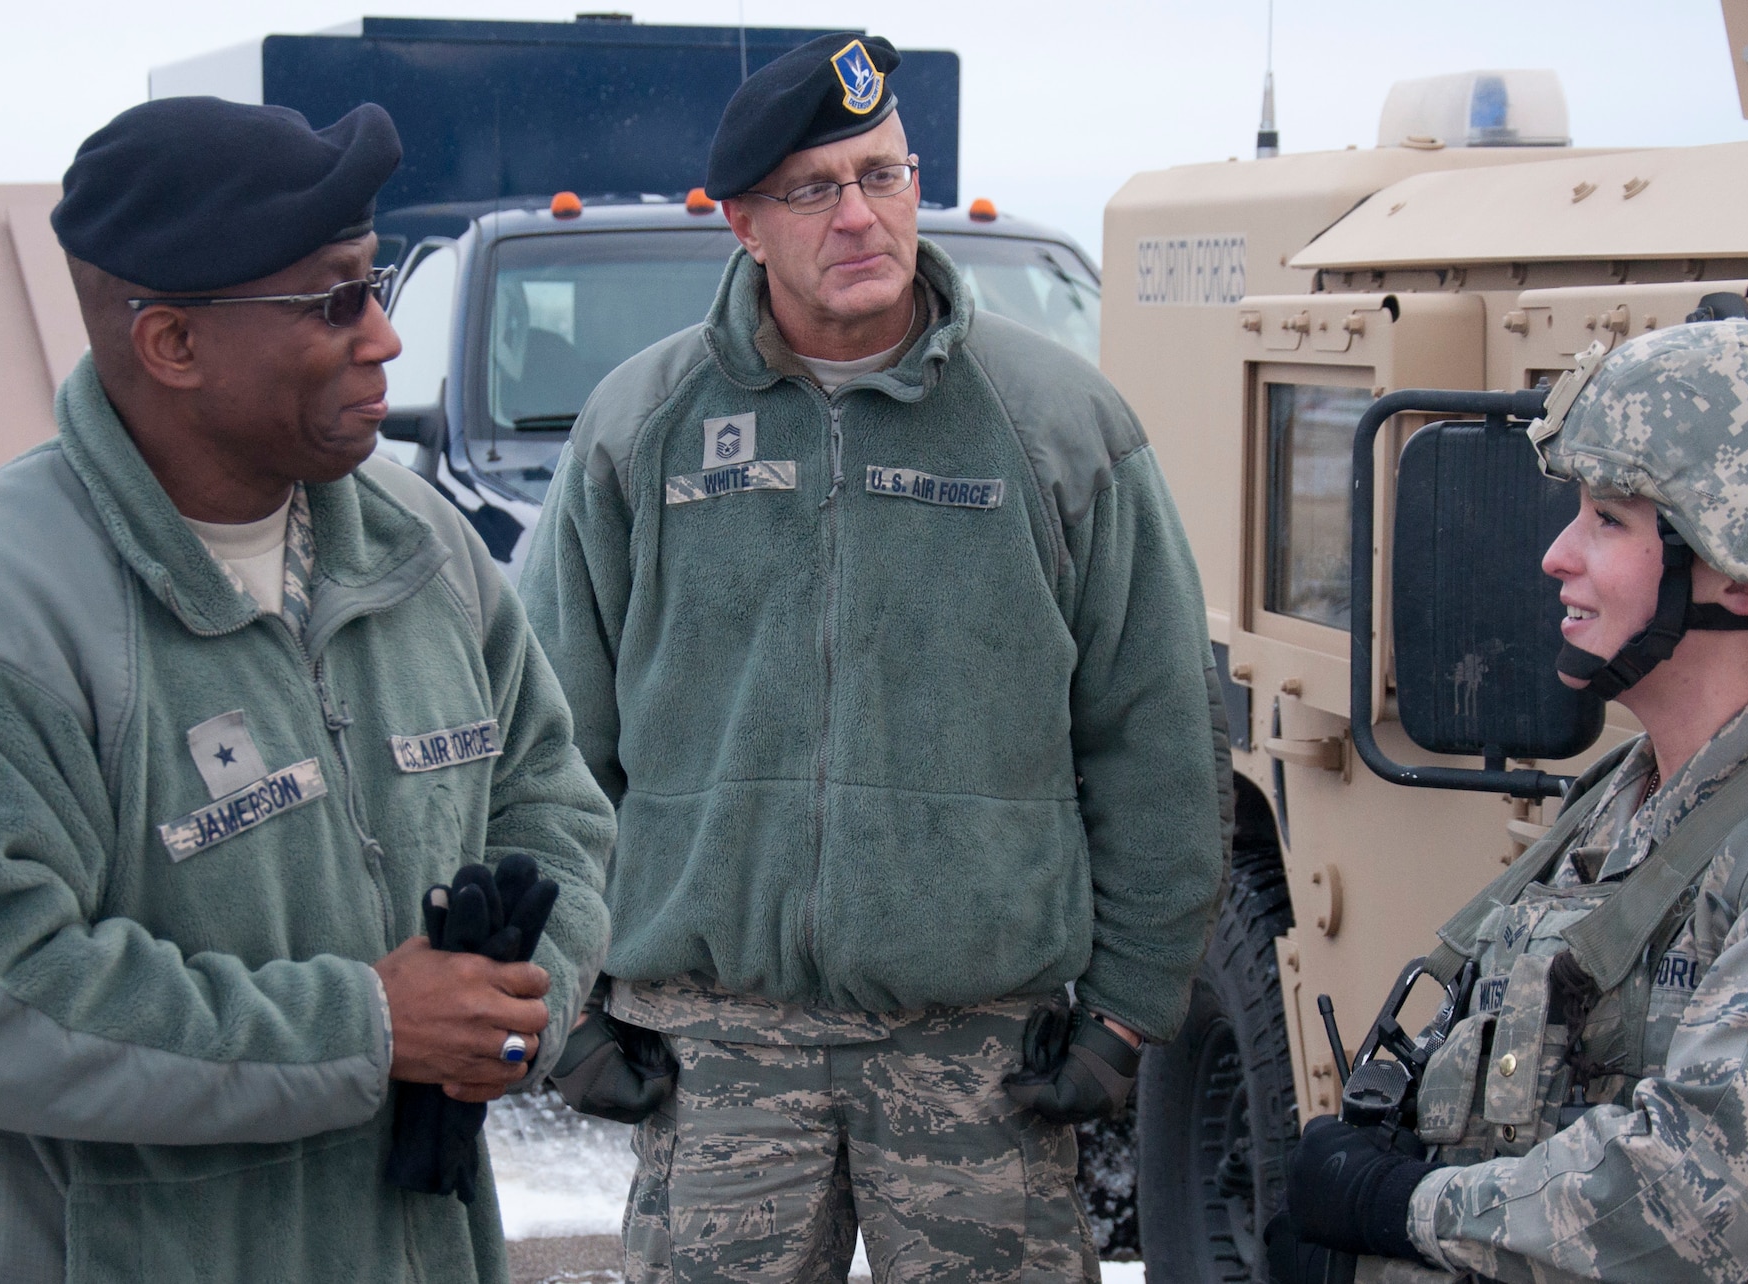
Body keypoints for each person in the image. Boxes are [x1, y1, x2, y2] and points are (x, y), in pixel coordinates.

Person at [521, 31, 1231, 1284]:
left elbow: (1157, 733)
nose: (859, 215)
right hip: (716, 1049)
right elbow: (548, 742)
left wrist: (1125, 1010)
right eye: (813, 189)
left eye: (884, 174)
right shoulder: (642, 428)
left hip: (978, 1058)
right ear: (742, 221)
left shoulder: (1058, 426)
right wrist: (561, 995)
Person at [0, 97, 614, 1283]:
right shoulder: (1, 608)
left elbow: (553, 807)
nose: (384, 337)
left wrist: (520, 1005)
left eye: (375, 285)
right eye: (332, 300)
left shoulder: (424, 548)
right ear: (171, 344)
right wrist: (364, 1029)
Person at [1279, 321, 1748, 1283]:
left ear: (1745, 569)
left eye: (1610, 519)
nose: (1558, 555)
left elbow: (1688, 1206)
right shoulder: (1630, 795)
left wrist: (1396, 1208)